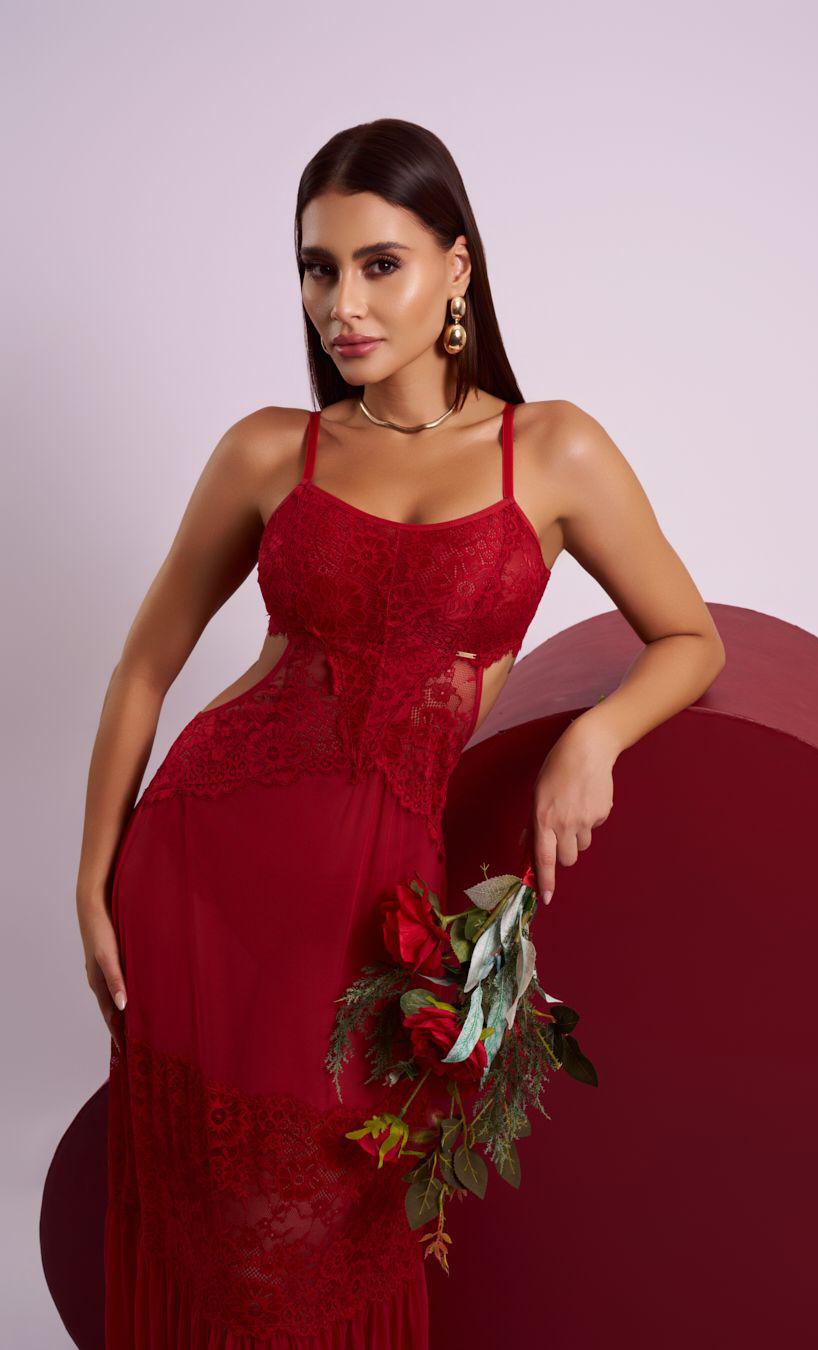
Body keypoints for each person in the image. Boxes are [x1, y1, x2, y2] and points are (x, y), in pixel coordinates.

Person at [76, 117, 725, 1348]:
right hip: (199, 875)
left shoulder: (553, 449)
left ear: (457, 267)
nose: (344, 304)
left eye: (380, 264)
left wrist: (594, 738)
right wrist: (90, 878)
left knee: (333, 1229)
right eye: (318, 269)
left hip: (375, 916)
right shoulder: (271, 449)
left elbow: (690, 637)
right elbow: (144, 666)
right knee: (219, 1245)